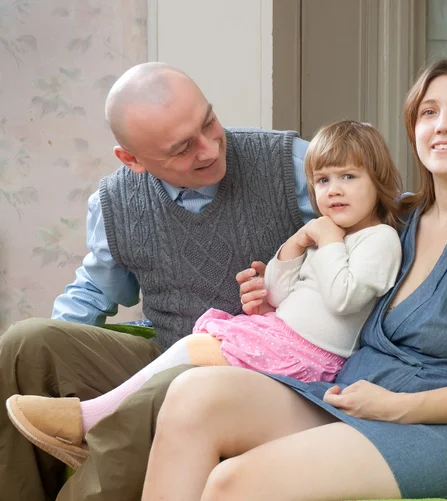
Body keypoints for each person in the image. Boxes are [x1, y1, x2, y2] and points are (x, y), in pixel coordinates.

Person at [136, 55, 447, 501]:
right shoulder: (400, 220)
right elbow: (343, 291)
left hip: (445, 432)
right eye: (428, 112)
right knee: (191, 396)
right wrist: (279, 297)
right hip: (350, 397)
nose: (443, 125)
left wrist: (399, 407)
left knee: (232, 483)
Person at [0, 61, 317, 501]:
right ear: (131, 159)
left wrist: (291, 284)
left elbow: (381, 235)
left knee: (180, 384)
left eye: (209, 122)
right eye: (183, 148)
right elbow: (94, 291)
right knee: (25, 345)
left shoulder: (293, 164)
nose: (208, 149)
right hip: (170, 353)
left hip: (274, 376)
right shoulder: (115, 202)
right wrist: (61, 349)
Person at [6, 120, 403, 465]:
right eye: (323, 181)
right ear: (133, 159)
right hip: (282, 336)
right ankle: (85, 426)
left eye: (348, 177)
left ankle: (87, 421)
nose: (333, 191)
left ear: (377, 179)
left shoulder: (378, 238)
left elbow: (344, 298)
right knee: (187, 348)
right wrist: (293, 248)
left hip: (310, 357)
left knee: (189, 359)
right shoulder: (115, 200)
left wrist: (329, 240)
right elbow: (282, 293)